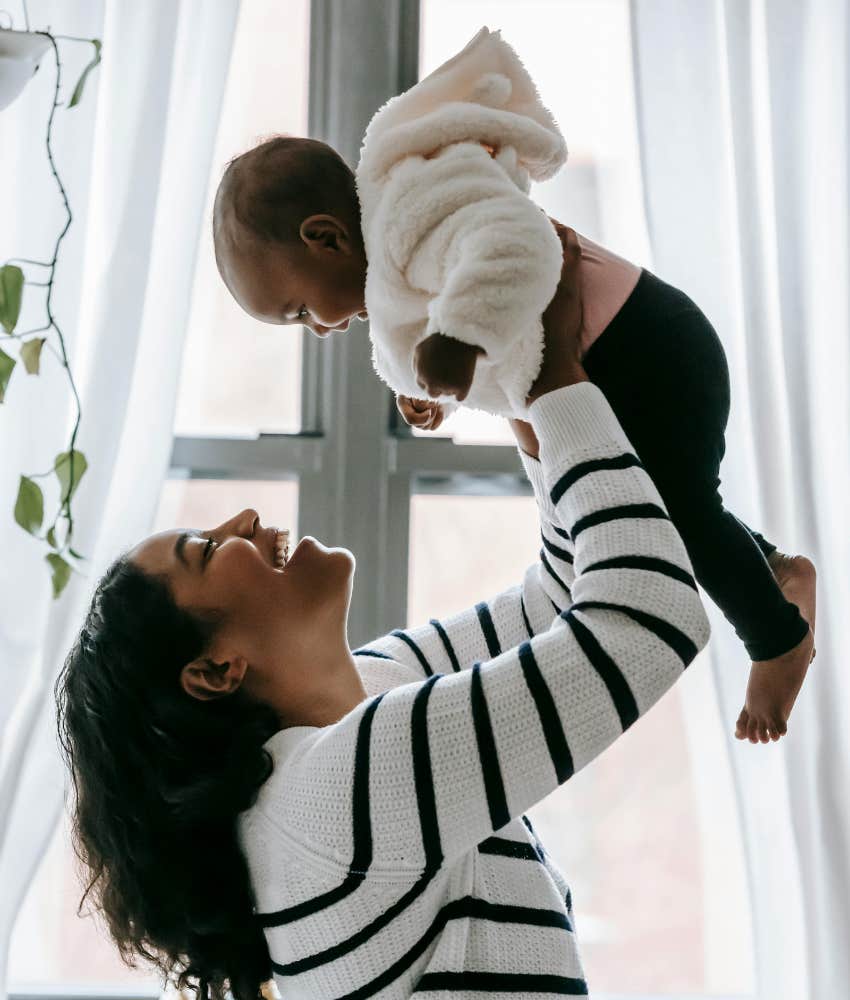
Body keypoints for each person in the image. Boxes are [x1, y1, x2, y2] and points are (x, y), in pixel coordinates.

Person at [55, 233, 709, 998]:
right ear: (215, 669)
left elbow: (557, 599)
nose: (239, 517)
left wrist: (523, 386)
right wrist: (561, 383)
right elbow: (649, 617)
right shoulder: (336, 797)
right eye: (205, 549)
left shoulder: (368, 690)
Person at [210, 51, 814, 745]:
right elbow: (500, 340)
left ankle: (775, 640)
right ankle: (772, 571)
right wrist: (439, 388)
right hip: (616, 360)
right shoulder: (387, 277)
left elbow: (514, 248)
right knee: (664, 504)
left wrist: (456, 339)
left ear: (325, 237)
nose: (317, 330)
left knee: (673, 509)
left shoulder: (413, 204)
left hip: (649, 347)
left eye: (298, 311)